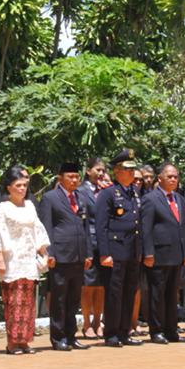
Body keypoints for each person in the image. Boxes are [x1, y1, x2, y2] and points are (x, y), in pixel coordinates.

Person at [0, 166, 49, 355]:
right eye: (18, 185)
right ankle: (13, 342)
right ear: (9, 187)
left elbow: (37, 229)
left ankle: (24, 340)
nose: (22, 189)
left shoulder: (30, 205)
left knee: (28, 302)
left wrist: (44, 252)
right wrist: (0, 258)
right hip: (12, 260)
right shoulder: (3, 207)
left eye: (24, 185)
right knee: (13, 301)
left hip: (28, 259)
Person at [38, 161, 92, 351]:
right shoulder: (50, 198)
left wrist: (88, 253)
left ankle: (71, 336)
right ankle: (58, 337)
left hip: (78, 255)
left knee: (74, 299)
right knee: (59, 298)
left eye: (77, 176)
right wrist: (49, 253)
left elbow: (86, 227)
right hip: (60, 255)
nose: (74, 180)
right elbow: (46, 226)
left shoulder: (81, 197)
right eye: (70, 176)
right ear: (60, 178)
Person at [141, 163, 185, 344]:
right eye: (169, 176)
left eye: (176, 177)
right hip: (158, 254)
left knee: (173, 294)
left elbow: (183, 227)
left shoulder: (179, 199)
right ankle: (156, 331)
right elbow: (146, 228)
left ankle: (172, 331)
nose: (173, 179)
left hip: (177, 255)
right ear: (160, 178)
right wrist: (148, 252)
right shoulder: (150, 199)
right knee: (157, 294)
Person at [97, 149, 144, 347]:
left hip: (132, 251)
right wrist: (105, 253)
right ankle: (111, 333)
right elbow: (101, 226)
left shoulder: (135, 192)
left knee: (129, 292)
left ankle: (125, 331)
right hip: (115, 251)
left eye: (133, 170)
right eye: (127, 169)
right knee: (114, 294)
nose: (132, 173)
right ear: (117, 171)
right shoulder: (108, 193)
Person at [78, 157, 109, 338]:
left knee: (101, 286)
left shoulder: (106, 191)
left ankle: (98, 322)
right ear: (88, 171)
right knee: (88, 285)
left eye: (103, 170)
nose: (101, 173)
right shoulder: (81, 191)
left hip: (105, 244)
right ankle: (87, 323)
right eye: (97, 170)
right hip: (89, 242)